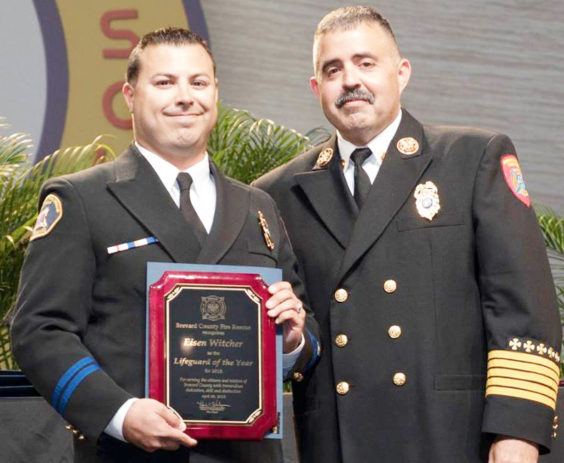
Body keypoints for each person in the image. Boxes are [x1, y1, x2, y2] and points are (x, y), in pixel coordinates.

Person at [254, 6, 561, 463]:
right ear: (317, 89)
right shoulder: (277, 192)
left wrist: (517, 435)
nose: (350, 80)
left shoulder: (471, 159)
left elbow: (523, 312)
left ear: (402, 73)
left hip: (454, 439)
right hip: (338, 444)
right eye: (333, 69)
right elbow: (296, 337)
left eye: (366, 62)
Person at [11, 27, 319, 463]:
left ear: (215, 93)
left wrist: (291, 341)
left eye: (198, 82)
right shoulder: (81, 200)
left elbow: (307, 338)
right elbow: (38, 330)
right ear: (130, 96)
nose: (185, 96)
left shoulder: (258, 206)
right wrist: (119, 413)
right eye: (164, 83)